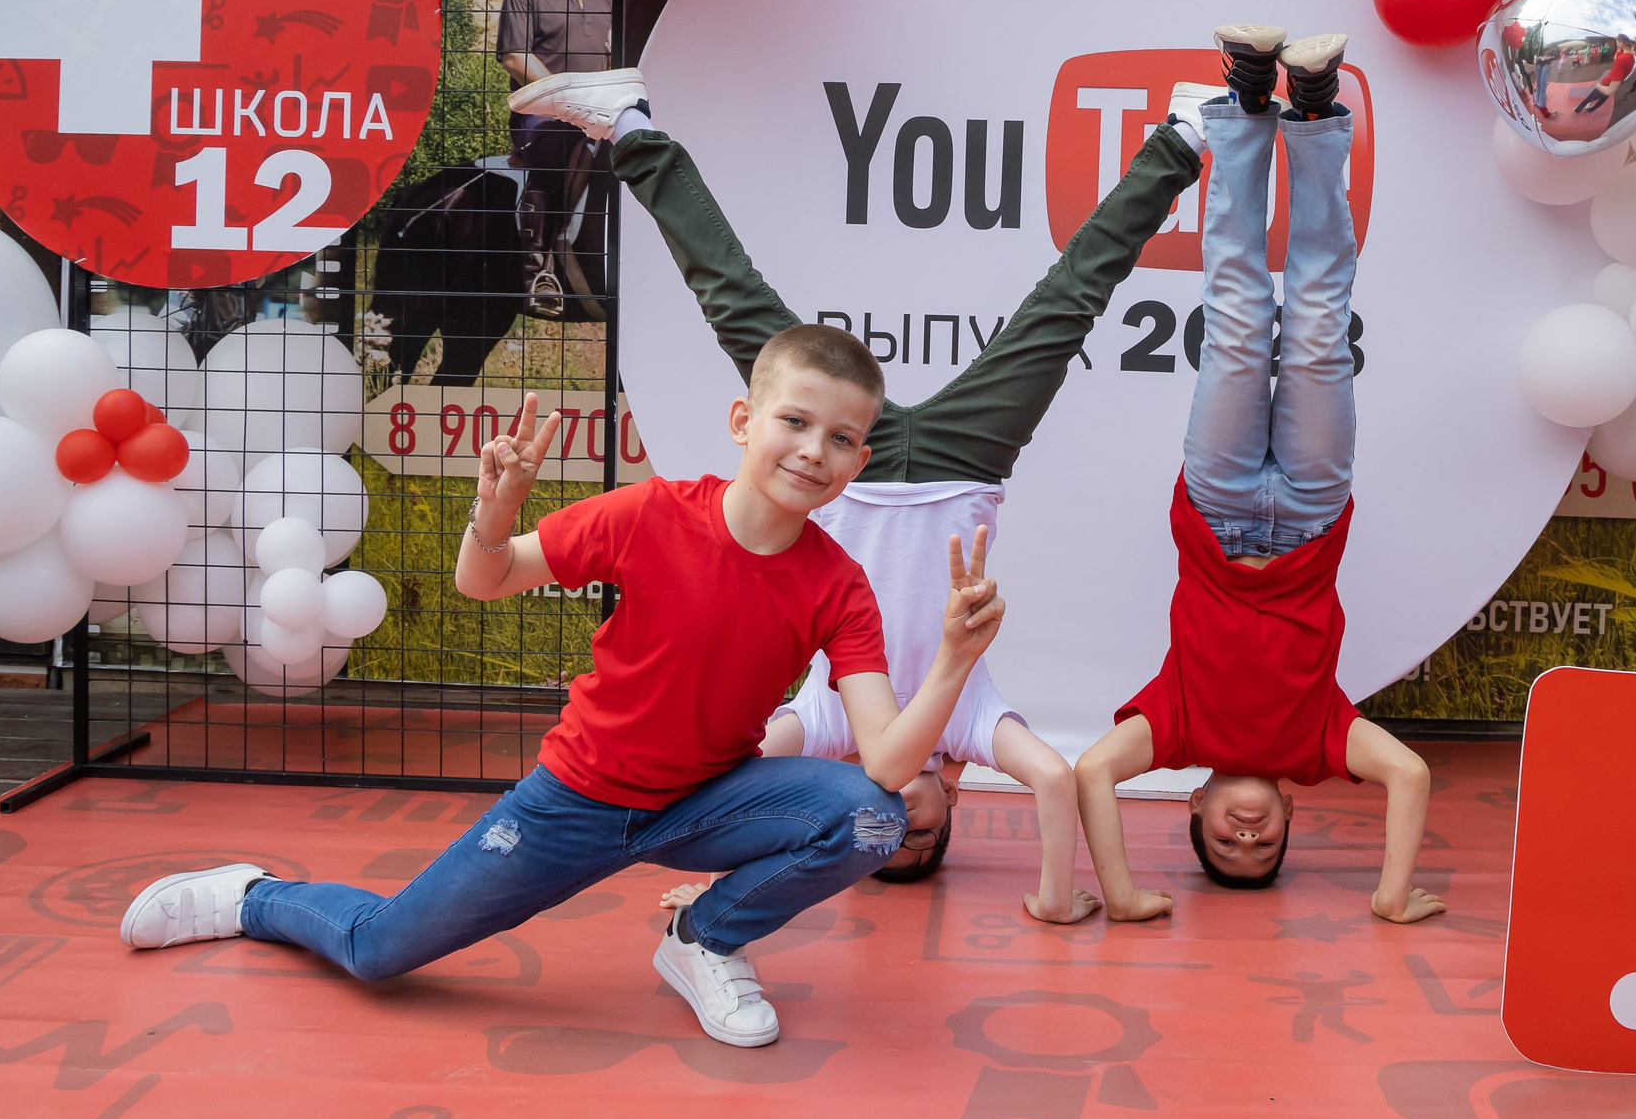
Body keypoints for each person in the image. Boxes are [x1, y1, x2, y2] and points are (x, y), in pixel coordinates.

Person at [115, 325, 1006, 1051]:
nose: (816, 451)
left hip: (706, 801)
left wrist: (954, 660)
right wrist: (493, 516)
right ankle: (250, 895)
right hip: (576, 801)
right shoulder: (652, 513)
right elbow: (487, 579)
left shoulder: (839, 583)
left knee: (871, 815)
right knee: (380, 950)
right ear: (744, 419)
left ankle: (706, 939)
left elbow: (887, 764)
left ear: (859, 459)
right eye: (797, 422)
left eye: (843, 439)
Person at [506, 49, 1212, 925]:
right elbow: (1056, 777)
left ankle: (630, 126)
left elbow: (714, 789)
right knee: (1069, 300)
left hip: (834, 461)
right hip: (966, 458)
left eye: (897, 840)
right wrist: (1054, 898)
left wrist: (718, 878)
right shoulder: (969, 723)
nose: (910, 824)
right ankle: (1186, 131)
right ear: (954, 801)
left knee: (731, 295)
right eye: (928, 838)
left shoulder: (830, 724)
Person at [1072, 30, 1443, 927]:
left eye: (1224, 843)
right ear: (1289, 816)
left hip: (1218, 508)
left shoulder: (1179, 730)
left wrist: (1120, 893)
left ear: (1192, 807)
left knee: (1238, 311)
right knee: (1317, 316)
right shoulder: (1318, 743)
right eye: (1264, 846)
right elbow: (1410, 771)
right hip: (1312, 516)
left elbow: (1089, 772)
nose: (1246, 834)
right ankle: (1312, 108)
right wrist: (1389, 895)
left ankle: (1243, 102)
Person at [495, 0, 615, 319]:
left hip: (597, 114)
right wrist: (566, 97)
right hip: (542, 114)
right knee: (555, 150)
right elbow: (515, 57)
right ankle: (539, 273)